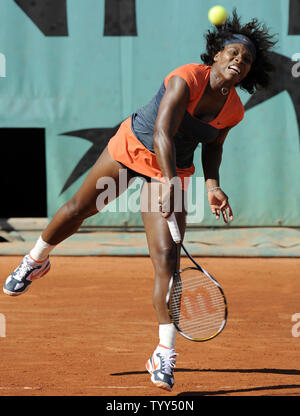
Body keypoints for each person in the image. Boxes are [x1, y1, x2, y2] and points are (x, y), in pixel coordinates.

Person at [3, 10, 276, 392]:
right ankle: (36, 259)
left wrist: (212, 185)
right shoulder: (186, 79)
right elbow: (164, 132)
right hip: (133, 150)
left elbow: (212, 147)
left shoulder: (233, 110)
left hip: (173, 171)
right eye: (232, 53)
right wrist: (165, 180)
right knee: (79, 209)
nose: (238, 62)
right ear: (214, 55)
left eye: (246, 60)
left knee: (168, 260)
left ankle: (164, 353)